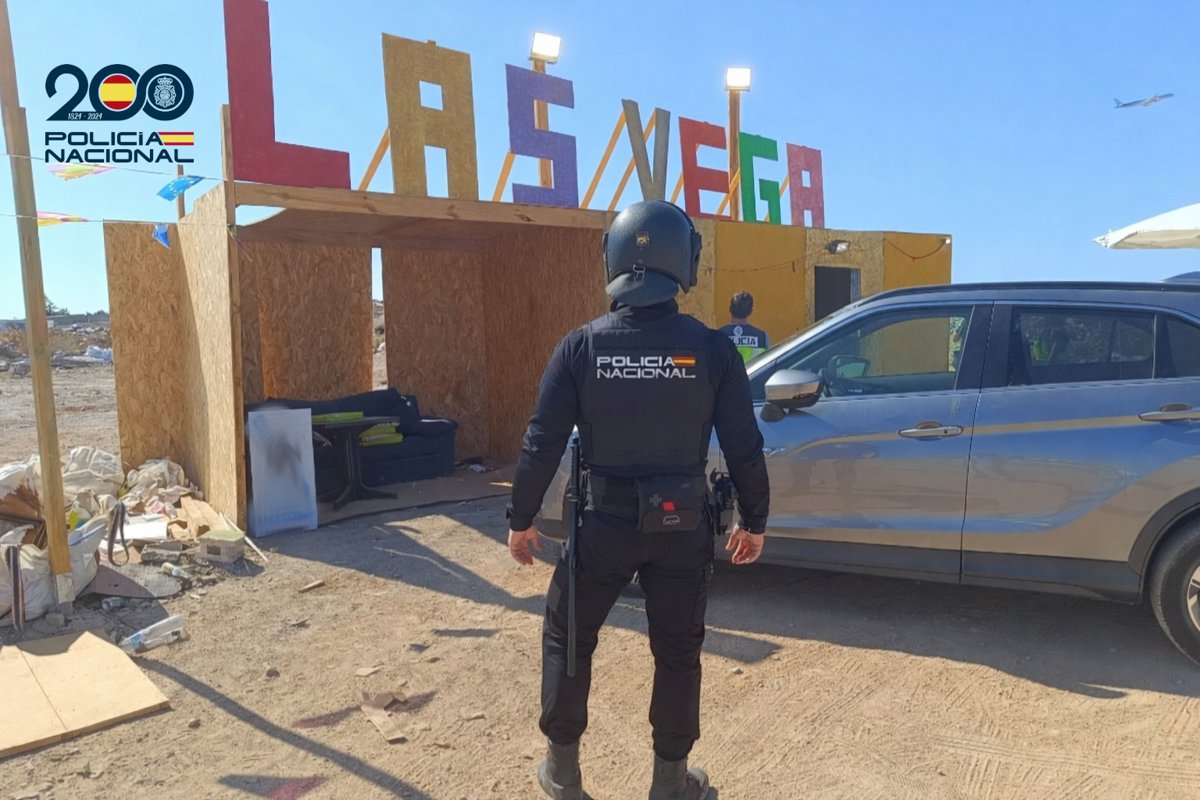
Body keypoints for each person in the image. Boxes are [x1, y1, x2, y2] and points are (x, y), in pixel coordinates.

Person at [506, 200, 771, 800]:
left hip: (603, 524)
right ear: (685, 262)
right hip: (682, 526)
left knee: (568, 637)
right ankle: (670, 785)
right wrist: (754, 518)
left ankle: (563, 776)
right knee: (678, 652)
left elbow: (541, 440)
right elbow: (744, 444)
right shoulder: (712, 351)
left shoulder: (580, 347)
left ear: (615, 259)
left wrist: (521, 518)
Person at [719, 291, 769, 363]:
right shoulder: (762, 337)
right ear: (750, 312)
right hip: (753, 370)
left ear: (730, 309)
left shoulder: (718, 336)